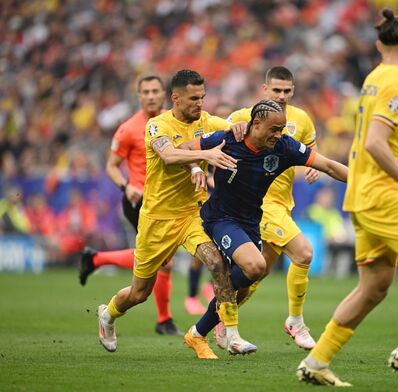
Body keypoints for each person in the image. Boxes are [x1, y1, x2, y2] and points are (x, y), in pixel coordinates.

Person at [296, 9, 398, 387]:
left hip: (361, 195)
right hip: (381, 196)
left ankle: (317, 361)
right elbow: (374, 144)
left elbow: (381, 142)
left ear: (377, 45)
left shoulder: (373, 80)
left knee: (373, 287)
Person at [181, 99, 348, 359]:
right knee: (256, 266)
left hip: (250, 221)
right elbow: (187, 147)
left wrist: (362, 183)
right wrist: (195, 165)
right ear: (255, 124)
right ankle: (228, 331)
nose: (278, 135)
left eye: (281, 129)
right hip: (221, 218)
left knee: (246, 284)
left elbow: (327, 165)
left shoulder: (284, 147)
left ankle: (197, 333)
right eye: (273, 129)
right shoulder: (229, 139)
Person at [95, 69, 246, 356]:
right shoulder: (156, 125)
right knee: (139, 293)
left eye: (202, 97)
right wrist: (205, 155)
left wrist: (239, 125)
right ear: (175, 98)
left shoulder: (206, 121)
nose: (199, 104)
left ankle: (231, 332)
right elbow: (168, 155)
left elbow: (232, 122)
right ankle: (109, 314)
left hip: (191, 214)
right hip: (156, 219)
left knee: (217, 263)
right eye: (193, 98)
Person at [221, 66, 320, 350]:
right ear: (265, 90)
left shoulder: (301, 119)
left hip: (283, 204)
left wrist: (315, 169)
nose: (282, 96)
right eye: (276, 90)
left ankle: (219, 320)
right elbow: (216, 134)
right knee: (303, 253)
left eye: (287, 91)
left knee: (255, 275)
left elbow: (312, 148)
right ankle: (296, 322)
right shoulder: (243, 116)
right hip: (259, 205)